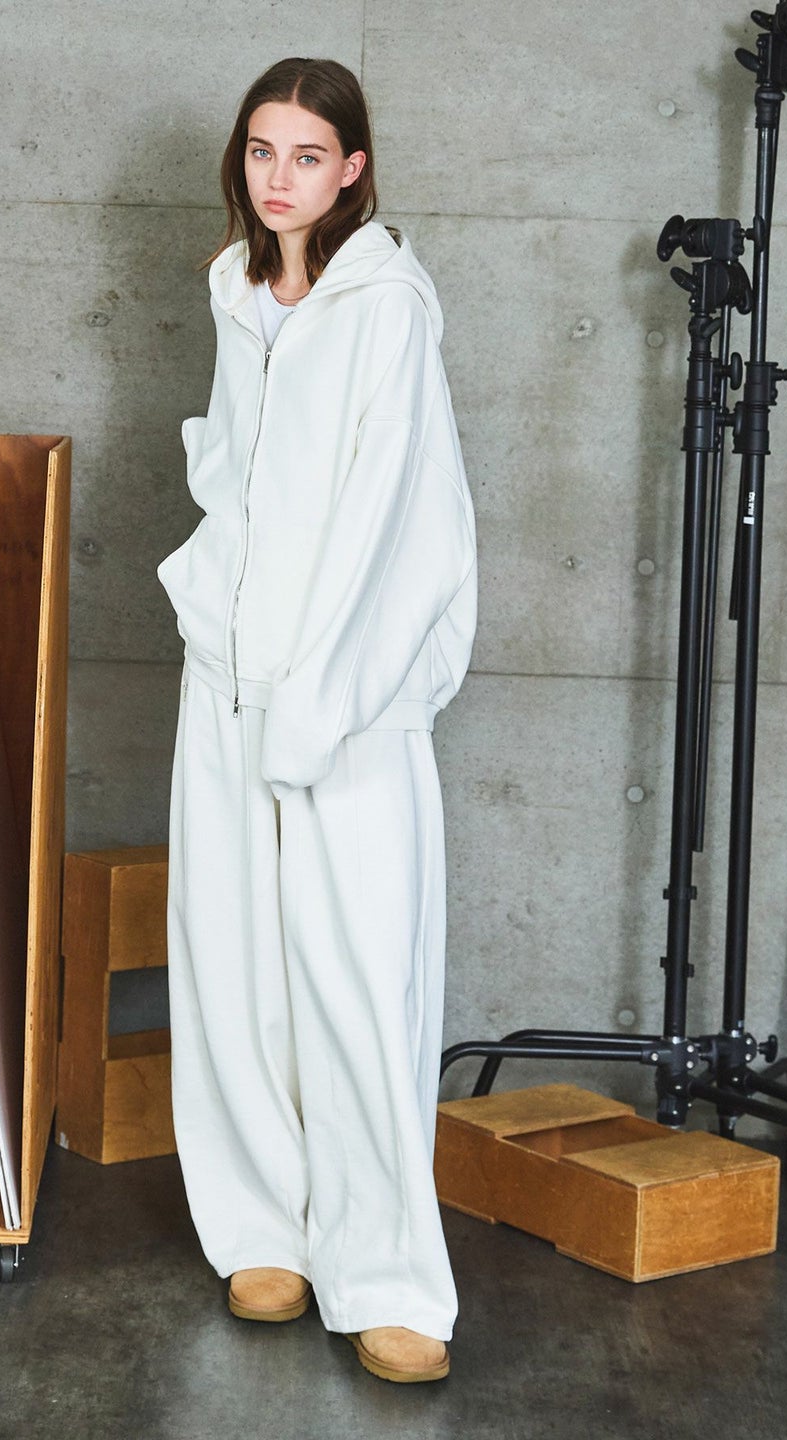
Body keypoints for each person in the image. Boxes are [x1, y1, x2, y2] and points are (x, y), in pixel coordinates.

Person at [156, 56, 477, 1385]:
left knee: (354, 982)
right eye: (260, 150)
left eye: (306, 155)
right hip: (226, 677)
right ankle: (263, 1231)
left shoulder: (387, 308)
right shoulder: (237, 290)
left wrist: (321, 702)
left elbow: (391, 522)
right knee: (232, 969)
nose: (278, 177)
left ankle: (386, 1274)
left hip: (345, 703)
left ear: (353, 169)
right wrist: (212, 606)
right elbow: (242, 475)